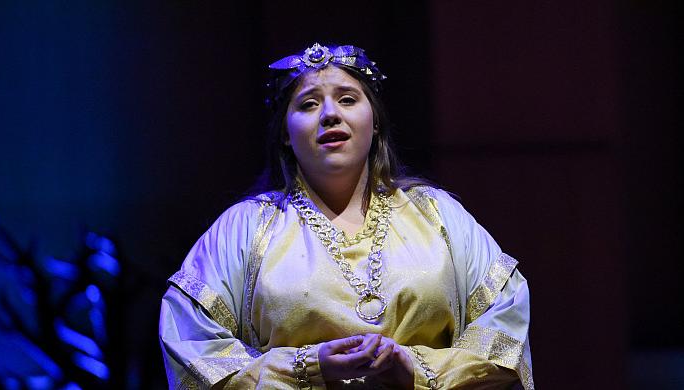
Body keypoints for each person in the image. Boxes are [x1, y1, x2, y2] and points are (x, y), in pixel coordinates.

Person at [159, 43, 533, 389]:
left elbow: (503, 334)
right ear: (286, 135)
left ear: (374, 122)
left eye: (347, 99)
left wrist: (413, 369)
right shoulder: (244, 227)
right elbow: (192, 345)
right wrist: (307, 367)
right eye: (307, 104)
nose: (330, 114)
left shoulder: (436, 213)